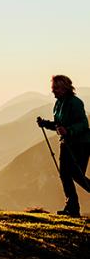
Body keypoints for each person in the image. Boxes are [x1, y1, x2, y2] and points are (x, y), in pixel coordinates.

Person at [37, 75, 90, 217]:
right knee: (65, 175)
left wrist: (69, 130)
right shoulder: (58, 104)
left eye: (56, 88)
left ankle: (72, 207)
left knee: (77, 175)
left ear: (65, 88)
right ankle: (72, 208)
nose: (53, 91)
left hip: (80, 144)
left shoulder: (75, 103)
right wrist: (45, 124)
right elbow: (58, 125)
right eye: (52, 88)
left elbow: (84, 124)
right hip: (66, 144)